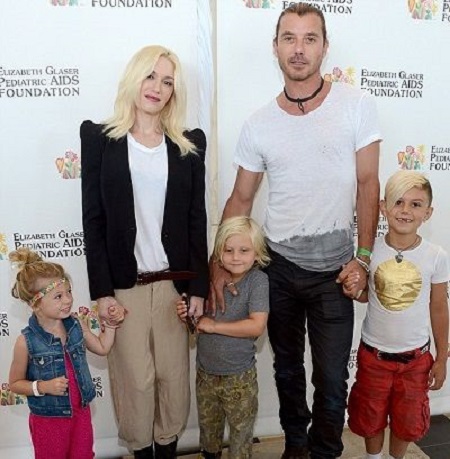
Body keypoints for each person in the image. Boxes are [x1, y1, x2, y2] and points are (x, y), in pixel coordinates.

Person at [209, 3, 382, 459]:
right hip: (279, 269)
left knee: (331, 378)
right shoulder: (259, 123)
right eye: (289, 38)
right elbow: (240, 199)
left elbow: (369, 185)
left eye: (309, 38)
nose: (299, 49)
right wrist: (217, 265)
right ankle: (296, 447)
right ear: (276, 47)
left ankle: (325, 451)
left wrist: (363, 259)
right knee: (286, 370)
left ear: (325, 47)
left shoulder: (356, 106)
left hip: (336, 271)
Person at [80, 45, 209, 458]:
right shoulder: (100, 139)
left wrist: (198, 290)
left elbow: (196, 220)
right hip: (125, 289)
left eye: (167, 81)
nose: (157, 87)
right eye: (150, 76)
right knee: (135, 386)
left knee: (173, 384)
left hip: (174, 288)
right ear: (134, 78)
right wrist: (102, 291)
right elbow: (93, 220)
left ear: (174, 92)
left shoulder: (189, 145)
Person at [346, 171, 449, 459]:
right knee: (370, 415)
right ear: (383, 207)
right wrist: (354, 289)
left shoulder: (436, 256)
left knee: (407, 420)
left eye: (416, 204)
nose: (405, 211)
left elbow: (439, 307)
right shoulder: (369, 251)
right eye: (398, 202)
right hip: (374, 356)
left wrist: (442, 358)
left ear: (428, 213)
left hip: (416, 360)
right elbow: (369, 294)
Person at [8, 248, 116, 459]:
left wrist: (110, 325)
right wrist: (43, 387)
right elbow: (15, 384)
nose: (67, 300)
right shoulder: (25, 342)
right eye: (58, 296)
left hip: (81, 414)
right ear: (35, 304)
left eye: (69, 292)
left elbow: (102, 348)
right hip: (48, 421)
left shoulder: (76, 325)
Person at [178, 216, 270, 459]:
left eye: (244, 250)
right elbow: (197, 326)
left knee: (241, 438)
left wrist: (214, 326)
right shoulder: (206, 281)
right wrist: (187, 316)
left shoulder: (258, 281)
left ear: (257, 253)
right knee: (209, 435)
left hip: (240, 378)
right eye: (229, 250)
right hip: (206, 375)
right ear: (218, 251)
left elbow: (257, 326)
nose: (236, 257)